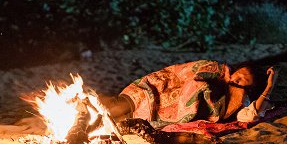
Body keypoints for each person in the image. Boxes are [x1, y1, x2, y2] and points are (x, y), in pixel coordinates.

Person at [102, 60, 278, 127]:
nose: (234, 79)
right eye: (237, 75)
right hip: (154, 90)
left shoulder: (240, 100)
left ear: (248, 89)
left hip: (160, 110)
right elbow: (183, 73)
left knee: (114, 120)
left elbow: (249, 117)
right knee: (114, 106)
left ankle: (87, 125)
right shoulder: (219, 71)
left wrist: (268, 87)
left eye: (241, 81)